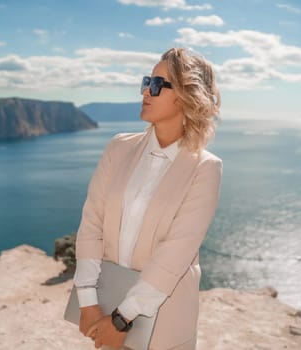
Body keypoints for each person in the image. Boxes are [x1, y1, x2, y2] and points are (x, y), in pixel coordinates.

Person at [73, 47, 223, 350]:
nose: (145, 91)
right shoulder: (118, 147)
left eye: (156, 84)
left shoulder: (205, 169)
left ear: (184, 95)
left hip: (165, 326)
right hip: (104, 308)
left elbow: (176, 254)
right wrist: (88, 301)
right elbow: (92, 222)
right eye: (146, 81)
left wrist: (121, 320)